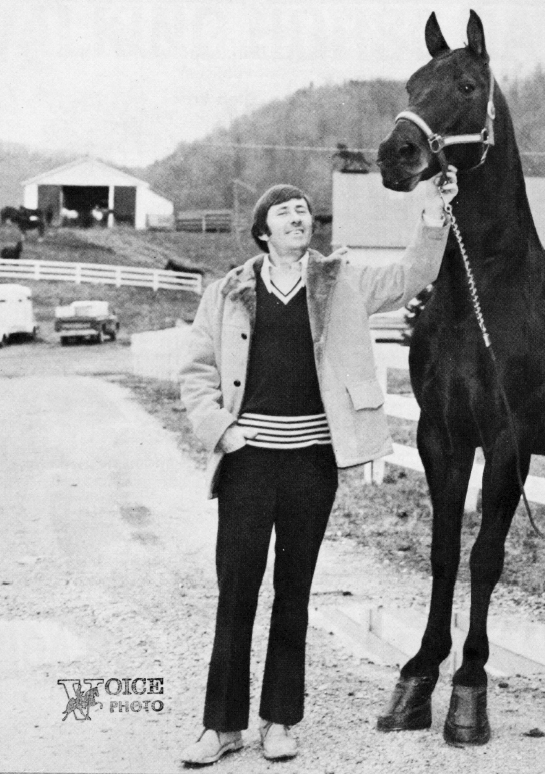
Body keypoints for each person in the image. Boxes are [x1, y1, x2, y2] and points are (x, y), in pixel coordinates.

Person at [178, 168, 457, 765]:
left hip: (311, 467)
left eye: (304, 209)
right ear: (262, 231)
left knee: (294, 592)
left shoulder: (341, 280)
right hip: (247, 466)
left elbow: (412, 275)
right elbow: (196, 372)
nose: (299, 217)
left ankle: (279, 721)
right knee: (236, 594)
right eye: (285, 212)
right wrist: (222, 432)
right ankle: (220, 726)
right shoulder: (227, 291)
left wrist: (433, 214)